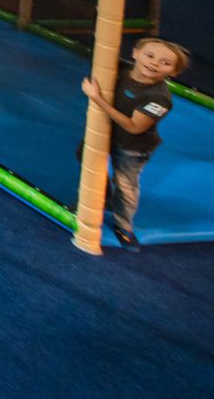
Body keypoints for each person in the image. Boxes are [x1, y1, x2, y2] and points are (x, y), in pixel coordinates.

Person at [81, 37, 189, 251]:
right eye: (150, 55)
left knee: (125, 184)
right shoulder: (122, 70)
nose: (154, 63)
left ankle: (124, 226)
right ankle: (103, 198)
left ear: (174, 72)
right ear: (135, 53)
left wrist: (97, 98)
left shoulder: (159, 97)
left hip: (132, 147)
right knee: (85, 158)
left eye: (165, 63)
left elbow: (133, 127)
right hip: (107, 133)